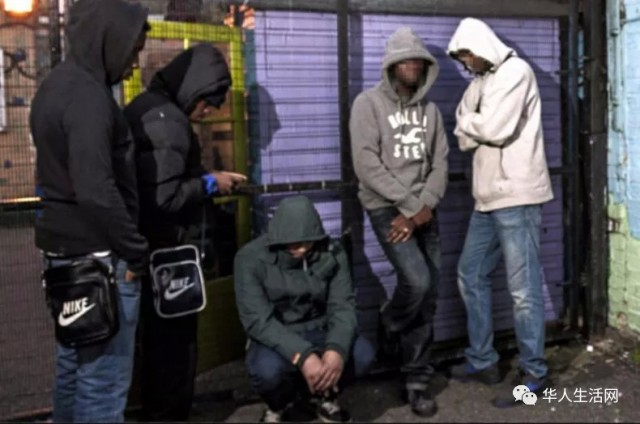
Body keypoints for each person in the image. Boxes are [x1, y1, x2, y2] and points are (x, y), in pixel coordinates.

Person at [29, 0, 150, 421]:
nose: (133, 65)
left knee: (73, 367)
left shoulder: (53, 87)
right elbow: (96, 190)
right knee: (103, 381)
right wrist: (135, 251)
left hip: (64, 253)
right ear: (108, 39)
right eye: (132, 51)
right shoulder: (89, 99)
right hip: (100, 259)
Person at [123, 44, 247, 421]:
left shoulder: (148, 108)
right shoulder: (169, 122)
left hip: (148, 250)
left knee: (156, 349)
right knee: (174, 352)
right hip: (167, 254)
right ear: (194, 90)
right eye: (207, 103)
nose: (208, 113)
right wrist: (210, 183)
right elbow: (165, 197)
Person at [447, 17, 554, 408]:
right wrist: (474, 124)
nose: (466, 62)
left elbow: (494, 128)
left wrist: (471, 122)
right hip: (487, 197)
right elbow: (463, 134)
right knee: (470, 272)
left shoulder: (516, 72)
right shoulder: (480, 82)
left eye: (468, 54)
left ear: (482, 46)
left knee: (523, 290)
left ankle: (535, 374)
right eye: (461, 57)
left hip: (517, 196)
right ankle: (483, 360)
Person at [349, 27, 449, 417]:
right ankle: (390, 322)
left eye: (417, 61)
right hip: (386, 206)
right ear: (391, 65)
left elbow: (441, 163)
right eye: (404, 60)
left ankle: (416, 380)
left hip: (423, 207)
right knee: (418, 281)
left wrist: (425, 205)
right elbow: (367, 165)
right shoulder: (367, 104)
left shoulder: (431, 111)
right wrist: (409, 207)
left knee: (430, 292)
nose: (411, 66)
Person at [234, 196, 375, 423]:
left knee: (362, 354)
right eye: (293, 243)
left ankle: (325, 396)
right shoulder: (249, 259)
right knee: (266, 371)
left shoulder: (333, 251)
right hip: (278, 331)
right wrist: (304, 356)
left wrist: (336, 349)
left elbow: (343, 306)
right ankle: (278, 404)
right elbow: (258, 321)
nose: (301, 249)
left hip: (320, 327)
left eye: (307, 242)